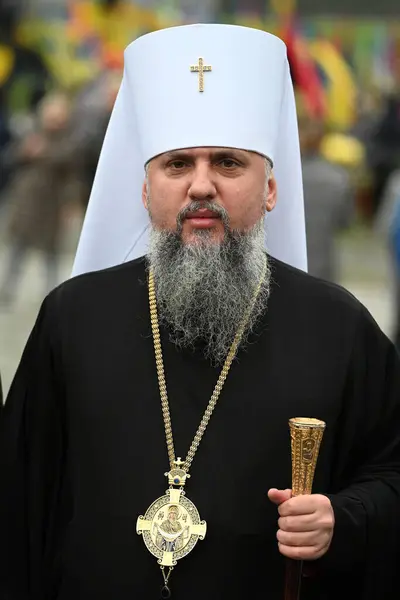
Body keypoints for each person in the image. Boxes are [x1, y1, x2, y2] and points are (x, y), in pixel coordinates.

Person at [0, 24, 399, 600]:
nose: (201, 186)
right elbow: (19, 506)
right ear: (144, 189)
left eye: (229, 164)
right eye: (178, 163)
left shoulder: (338, 328)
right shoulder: (72, 318)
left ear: (270, 190)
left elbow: (390, 474)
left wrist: (344, 518)